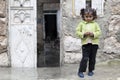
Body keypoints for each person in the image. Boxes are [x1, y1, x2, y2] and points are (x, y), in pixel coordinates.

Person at [76, 8, 101, 78]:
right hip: (85, 44)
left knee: (92, 58)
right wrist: (84, 34)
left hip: (94, 44)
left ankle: (91, 70)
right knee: (85, 58)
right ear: (83, 16)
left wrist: (93, 34)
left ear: (94, 16)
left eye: (90, 16)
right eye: (86, 16)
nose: (88, 18)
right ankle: (81, 71)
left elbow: (99, 32)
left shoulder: (95, 24)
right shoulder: (81, 24)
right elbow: (77, 32)